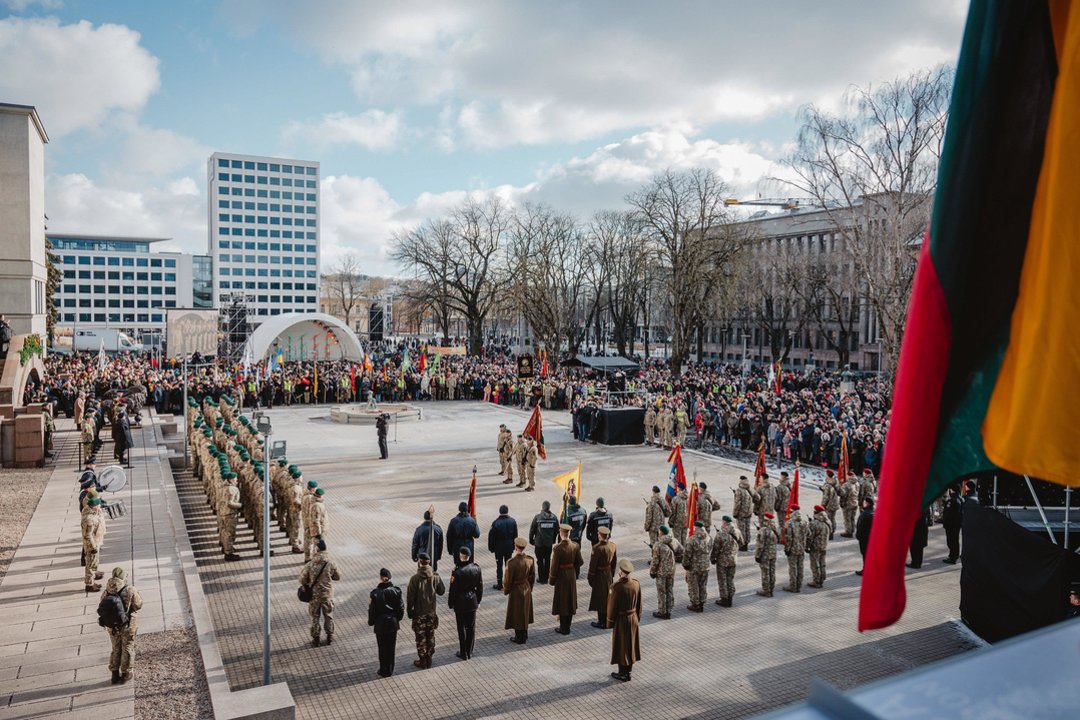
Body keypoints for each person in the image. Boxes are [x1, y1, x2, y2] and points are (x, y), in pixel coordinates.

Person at [99, 567, 143, 684]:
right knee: (127, 647)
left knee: (115, 648)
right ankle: (126, 673)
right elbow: (138, 605)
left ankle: (114, 673)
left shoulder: (106, 591)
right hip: (127, 625)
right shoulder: (129, 589)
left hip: (112, 626)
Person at [406, 551, 445, 669]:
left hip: (419, 614)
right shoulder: (435, 576)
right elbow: (441, 591)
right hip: (431, 613)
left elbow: (410, 597)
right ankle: (429, 657)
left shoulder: (414, 579)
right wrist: (436, 579)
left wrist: (409, 611)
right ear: (429, 563)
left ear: (419, 563)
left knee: (420, 637)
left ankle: (423, 660)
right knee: (430, 635)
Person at [299, 537, 341, 647]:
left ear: (317, 550)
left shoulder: (310, 564)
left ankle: (316, 639)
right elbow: (337, 577)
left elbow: (302, 580)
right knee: (328, 616)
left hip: (314, 596)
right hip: (327, 595)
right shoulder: (330, 563)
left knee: (315, 617)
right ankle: (330, 636)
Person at [606, 558, 642, 683]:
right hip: (633, 618)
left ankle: (623, 673)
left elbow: (612, 607)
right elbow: (639, 604)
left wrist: (610, 621)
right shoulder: (636, 584)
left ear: (621, 572)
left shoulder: (616, 587)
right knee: (630, 644)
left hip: (621, 619)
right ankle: (628, 670)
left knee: (621, 645)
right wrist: (638, 617)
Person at [448, 546, 483, 660]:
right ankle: (469, 651)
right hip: (472, 601)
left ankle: (463, 652)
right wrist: (478, 600)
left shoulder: (457, 571)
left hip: (460, 603)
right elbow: (480, 586)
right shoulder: (476, 568)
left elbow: (453, 590)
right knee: (471, 627)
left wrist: (450, 603)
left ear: (460, 556)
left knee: (461, 628)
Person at [368, 568, 404, 677]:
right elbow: (401, 608)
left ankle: (383, 669)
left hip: (380, 624)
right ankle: (390, 669)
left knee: (382, 648)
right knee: (391, 647)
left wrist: (371, 622)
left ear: (380, 577)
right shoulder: (396, 591)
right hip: (393, 623)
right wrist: (397, 618)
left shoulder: (375, 594)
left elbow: (372, 611)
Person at [549, 523, 584, 634]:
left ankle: (564, 628)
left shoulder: (557, 549)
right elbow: (580, 562)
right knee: (570, 600)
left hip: (562, 577)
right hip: (571, 575)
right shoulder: (575, 546)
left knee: (563, 601)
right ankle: (567, 625)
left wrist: (552, 579)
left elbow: (554, 567)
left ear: (560, 534)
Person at [503, 537, 536, 644]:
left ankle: (519, 637)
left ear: (515, 547)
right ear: (525, 547)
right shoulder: (530, 560)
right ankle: (525, 633)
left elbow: (508, 579)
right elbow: (532, 576)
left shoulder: (511, 563)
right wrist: (530, 587)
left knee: (517, 613)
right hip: (526, 587)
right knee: (524, 611)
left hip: (516, 590)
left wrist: (506, 590)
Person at [588, 526, 617, 628]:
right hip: (608, 574)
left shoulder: (597, 548)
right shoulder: (613, 546)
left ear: (600, 536)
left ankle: (602, 622)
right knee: (607, 597)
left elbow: (593, 565)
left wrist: (590, 578)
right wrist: (612, 574)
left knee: (600, 598)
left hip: (599, 575)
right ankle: (607, 619)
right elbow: (614, 562)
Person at [649, 524, 680, 619]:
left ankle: (662, 612)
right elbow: (681, 551)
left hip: (661, 572)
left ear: (661, 532)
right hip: (671, 571)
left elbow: (655, 561)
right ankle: (669, 610)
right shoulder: (674, 541)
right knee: (669, 590)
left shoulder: (658, 545)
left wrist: (652, 572)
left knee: (662, 591)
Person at [710, 515, 741, 607]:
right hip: (733, 559)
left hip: (722, 561)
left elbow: (716, 549)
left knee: (722, 580)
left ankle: (724, 599)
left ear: (724, 522)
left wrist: (713, 558)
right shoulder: (737, 531)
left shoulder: (721, 534)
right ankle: (730, 598)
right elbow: (741, 543)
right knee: (730, 579)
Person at [683, 521, 712, 611]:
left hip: (694, 567)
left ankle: (695, 604)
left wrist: (685, 565)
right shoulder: (709, 538)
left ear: (695, 528)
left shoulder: (692, 539)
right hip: (705, 566)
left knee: (693, 586)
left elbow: (687, 554)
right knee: (703, 584)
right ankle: (702, 602)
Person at [488, 505, 518, 590]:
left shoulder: (496, 523)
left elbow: (491, 537)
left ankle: (500, 584)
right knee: (508, 565)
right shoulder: (512, 521)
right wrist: (515, 546)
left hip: (499, 547)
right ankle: (508, 582)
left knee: (499, 565)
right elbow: (515, 535)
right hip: (509, 546)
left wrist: (491, 548)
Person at [529, 500, 559, 580]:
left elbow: (532, 530)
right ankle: (546, 576)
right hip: (548, 543)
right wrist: (553, 539)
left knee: (540, 561)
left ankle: (541, 578)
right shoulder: (554, 518)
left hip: (539, 543)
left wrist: (531, 540)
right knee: (547, 559)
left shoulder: (538, 517)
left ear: (542, 507)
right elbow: (557, 530)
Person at [82, 496, 106, 591]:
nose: (100, 505)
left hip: (97, 541)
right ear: (94, 506)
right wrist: (93, 547)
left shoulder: (92, 511)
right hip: (92, 545)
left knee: (93, 563)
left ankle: (92, 580)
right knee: (90, 565)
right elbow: (88, 535)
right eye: (98, 504)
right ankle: (89, 585)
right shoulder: (89, 519)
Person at [782, 505, 808, 593]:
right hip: (801, 548)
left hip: (793, 548)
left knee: (793, 568)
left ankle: (793, 586)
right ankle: (799, 584)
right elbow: (809, 534)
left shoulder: (789, 523)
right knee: (800, 567)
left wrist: (787, 549)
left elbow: (788, 538)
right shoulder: (804, 522)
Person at [447, 501, 481, 566]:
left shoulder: (453, 521)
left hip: (457, 546)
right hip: (469, 546)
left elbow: (449, 536)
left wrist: (450, 550)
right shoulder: (471, 521)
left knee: (458, 566)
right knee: (469, 565)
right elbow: (477, 535)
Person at [755, 511, 779, 597]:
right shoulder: (775, 528)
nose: (763, 522)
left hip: (765, 554)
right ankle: (771, 589)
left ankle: (766, 591)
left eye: (764, 520)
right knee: (772, 572)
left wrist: (757, 556)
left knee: (765, 573)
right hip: (773, 553)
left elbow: (760, 545)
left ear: (767, 521)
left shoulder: (763, 530)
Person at [806, 504, 830, 588]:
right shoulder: (827, 521)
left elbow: (810, 537)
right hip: (824, 545)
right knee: (822, 562)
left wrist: (807, 546)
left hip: (815, 547)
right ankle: (822, 578)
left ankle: (816, 581)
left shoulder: (814, 523)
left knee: (815, 564)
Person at [941, 486, 963, 564]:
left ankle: (952, 557)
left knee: (951, 541)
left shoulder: (951, 501)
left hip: (951, 524)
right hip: (957, 524)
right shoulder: (961, 499)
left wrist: (944, 522)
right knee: (955, 540)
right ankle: (954, 555)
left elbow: (947, 514)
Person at [855, 497, 875, 576]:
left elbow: (860, 526)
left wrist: (858, 536)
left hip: (864, 538)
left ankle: (866, 570)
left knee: (865, 554)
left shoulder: (865, 514)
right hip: (872, 537)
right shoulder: (874, 511)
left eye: (864, 502)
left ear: (867, 503)